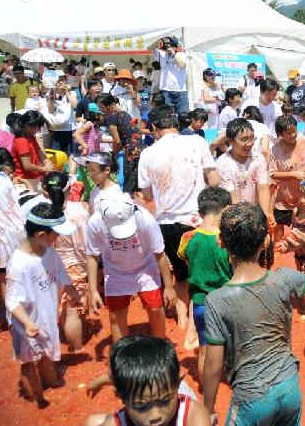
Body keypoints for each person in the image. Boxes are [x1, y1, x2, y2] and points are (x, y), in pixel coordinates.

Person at [201, 203, 305, 425]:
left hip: (251, 399)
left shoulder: (216, 301)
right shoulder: (282, 279)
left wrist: (208, 408)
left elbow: (213, 365)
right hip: (289, 386)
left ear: (220, 242)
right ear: (265, 241)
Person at [137, 105, 218, 342]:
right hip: (196, 220)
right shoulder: (197, 143)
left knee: (180, 276)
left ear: (154, 128)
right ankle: (193, 329)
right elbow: (213, 179)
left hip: (165, 223)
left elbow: (148, 195)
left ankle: (182, 321)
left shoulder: (148, 154)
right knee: (199, 274)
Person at [6, 202, 81, 407]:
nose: (58, 237)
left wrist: (77, 295)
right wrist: (27, 323)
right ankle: (37, 396)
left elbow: (63, 278)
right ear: (41, 235)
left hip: (46, 314)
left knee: (47, 350)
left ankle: (51, 380)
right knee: (28, 361)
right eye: (55, 234)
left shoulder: (50, 253)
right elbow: (12, 300)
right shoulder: (19, 265)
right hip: (26, 323)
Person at [86, 193, 176, 342]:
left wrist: (168, 286)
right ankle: (119, 353)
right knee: (116, 314)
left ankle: (160, 346)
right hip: (115, 270)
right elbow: (92, 255)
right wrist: (93, 289)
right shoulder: (95, 223)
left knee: (155, 308)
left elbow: (159, 253)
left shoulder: (145, 219)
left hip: (145, 267)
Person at [83, 335, 210, 426]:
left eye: (165, 401)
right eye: (141, 406)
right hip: (164, 386)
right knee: (91, 422)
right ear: (120, 396)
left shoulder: (193, 415)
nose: (156, 416)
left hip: (175, 388)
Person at [178, 187, 233, 380]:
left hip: (200, 302)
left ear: (200, 212)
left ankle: (205, 384)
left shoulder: (188, 237)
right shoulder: (226, 240)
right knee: (227, 344)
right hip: (225, 302)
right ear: (226, 210)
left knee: (203, 349)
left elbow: (184, 257)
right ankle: (226, 378)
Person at [32, 172, 90, 352]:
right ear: (68, 189)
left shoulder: (38, 211)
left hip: (45, 265)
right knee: (73, 308)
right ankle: (77, 349)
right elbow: (84, 245)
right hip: (72, 265)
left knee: (55, 305)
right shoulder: (77, 211)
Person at [269, 114, 305, 244]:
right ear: (280, 134)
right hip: (285, 196)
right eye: (288, 133)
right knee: (279, 226)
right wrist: (293, 174)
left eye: (294, 131)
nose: (293, 135)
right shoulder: (275, 149)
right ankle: (279, 252)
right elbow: (272, 173)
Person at [0, 143, 26, 304]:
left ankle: (12, 313)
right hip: (18, 228)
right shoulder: (2, 176)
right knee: (17, 271)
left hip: (0, 233)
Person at [216, 118, 271, 213]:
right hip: (234, 214)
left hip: (256, 214)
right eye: (244, 140)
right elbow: (231, 195)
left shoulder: (258, 158)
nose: (250, 143)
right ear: (231, 141)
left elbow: (263, 189)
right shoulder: (223, 163)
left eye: (252, 138)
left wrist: (265, 215)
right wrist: (245, 219)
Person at [96, 94, 144, 194]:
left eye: (102, 107)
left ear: (109, 105)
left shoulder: (111, 117)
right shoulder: (124, 113)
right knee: (138, 180)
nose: (101, 110)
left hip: (131, 150)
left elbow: (116, 140)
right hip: (141, 147)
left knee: (129, 182)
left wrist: (114, 154)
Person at [11, 110, 52, 191]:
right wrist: (44, 169)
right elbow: (27, 166)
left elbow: (39, 152)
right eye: (38, 127)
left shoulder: (30, 136)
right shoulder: (21, 141)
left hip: (35, 177)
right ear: (30, 126)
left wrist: (48, 163)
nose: (38, 130)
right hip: (24, 180)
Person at [152, 36, 189, 114]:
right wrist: (159, 39)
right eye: (166, 44)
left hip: (180, 91)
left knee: (183, 116)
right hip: (166, 91)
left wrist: (172, 52)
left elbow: (182, 65)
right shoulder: (162, 54)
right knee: (168, 116)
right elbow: (149, 48)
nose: (167, 46)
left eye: (169, 44)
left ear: (174, 46)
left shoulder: (182, 55)